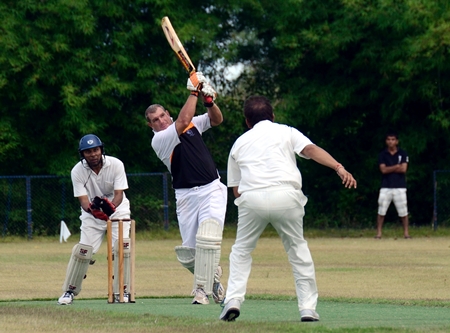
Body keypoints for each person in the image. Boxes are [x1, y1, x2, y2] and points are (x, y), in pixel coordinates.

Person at [220, 96, 357, 322]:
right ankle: (307, 309)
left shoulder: (239, 143)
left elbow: (235, 190)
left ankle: (233, 300)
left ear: (247, 121)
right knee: (297, 250)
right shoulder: (287, 131)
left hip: (252, 197)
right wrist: (338, 167)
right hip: (287, 195)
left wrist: (257, 200)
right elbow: (311, 150)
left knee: (241, 251)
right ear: (273, 116)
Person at [144, 72, 227, 305]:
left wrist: (209, 102)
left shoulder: (192, 123)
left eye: (163, 116)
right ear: (150, 125)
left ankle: (201, 292)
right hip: (186, 196)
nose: (161, 121)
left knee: (208, 237)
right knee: (189, 254)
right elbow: (182, 121)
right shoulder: (160, 139)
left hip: (212, 188)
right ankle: (212, 282)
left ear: (167, 113)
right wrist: (193, 91)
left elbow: (216, 120)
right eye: (155, 120)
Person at [58, 134, 132, 305]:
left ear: (101, 150)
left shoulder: (116, 164)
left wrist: (110, 208)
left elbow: (119, 194)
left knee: (121, 249)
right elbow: (84, 201)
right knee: (83, 252)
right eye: (88, 152)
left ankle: (123, 291)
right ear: (82, 154)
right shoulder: (77, 171)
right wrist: (93, 210)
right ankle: (69, 291)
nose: (93, 154)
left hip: (118, 211)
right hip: (93, 214)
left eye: (95, 150)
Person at [375, 132, 410, 239]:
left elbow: (404, 169)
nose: (391, 141)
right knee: (381, 210)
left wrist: (390, 168)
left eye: (393, 139)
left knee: (403, 211)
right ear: (386, 141)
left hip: (400, 186)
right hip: (386, 186)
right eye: (389, 139)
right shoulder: (382, 155)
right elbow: (383, 170)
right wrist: (396, 167)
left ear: (397, 141)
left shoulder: (402, 153)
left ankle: (406, 233)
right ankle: (379, 233)